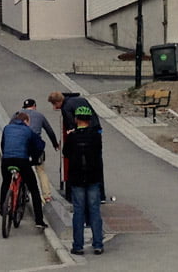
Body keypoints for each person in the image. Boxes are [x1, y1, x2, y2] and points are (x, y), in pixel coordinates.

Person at [48, 91, 106, 202]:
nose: (54, 107)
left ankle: (74, 195)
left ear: (58, 102)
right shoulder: (81, 99)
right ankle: (100, 194)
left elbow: (71, 126)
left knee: (77, 164)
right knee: (97, 163)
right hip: (96, 131)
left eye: (54, 104)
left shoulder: (66, 108)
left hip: (81, 138)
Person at [62, 106, 104, 255]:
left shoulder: (72, 137)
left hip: (77, 178)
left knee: (78, 212)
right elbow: (98, 152)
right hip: (93, 177)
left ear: (76, 119)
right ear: (89, 120)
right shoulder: (95, 136)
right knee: (94, 211)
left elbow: (65, 152)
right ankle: (98, 243)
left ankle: (78, 246)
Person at [0, 112, 48, 228]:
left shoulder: (7, 128)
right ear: (26, 121)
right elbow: (39, 145)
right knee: (34, 189)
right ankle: (39, 221)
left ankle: (3, 209)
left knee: (6, 183)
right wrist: (35, 159)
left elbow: (3, 144)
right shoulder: (28, 131)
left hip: (6, 160)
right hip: (22, 161)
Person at [10, 98, 59, 203]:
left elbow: (10, 129)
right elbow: (49, 131)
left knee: (20, 167)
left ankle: (19, 189)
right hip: (35, 147)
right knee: (41, 170)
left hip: (19, 146)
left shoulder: (17, 114)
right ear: (35, 106)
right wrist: (55, 144)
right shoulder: (40, 116)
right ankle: (47, 196)